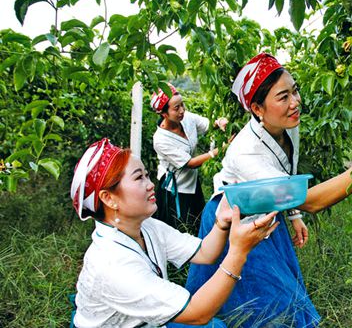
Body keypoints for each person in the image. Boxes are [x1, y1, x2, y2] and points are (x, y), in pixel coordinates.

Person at [185, 53, 352, 327]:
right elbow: (309, 200)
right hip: (233, 220)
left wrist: (294, 215)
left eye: (294, 91)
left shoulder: (287, 124)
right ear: (258, 109)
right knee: (267, 305)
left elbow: (287, 177)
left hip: (266, 211)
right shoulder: (245, 151)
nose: (295, 102)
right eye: (283, 97)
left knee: (265, 301)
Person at [69, 138, 279, 328]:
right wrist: (238, 253)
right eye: (138, 178)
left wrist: (222, 222)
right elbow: (197, 314)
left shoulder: (146, 227)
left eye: (148, 175)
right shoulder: (112, 264)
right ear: (108, 198)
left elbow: (205, 253)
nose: (151, 185)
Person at [151, 83, 229, 233]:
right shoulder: (161, 139)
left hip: (191, 182)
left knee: (197, 220)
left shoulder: (187, 119)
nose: (182, 111)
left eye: (182, 105)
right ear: (164, 114)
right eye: (176, 108)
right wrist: (221, 150)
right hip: (175, 188)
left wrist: (220, 122)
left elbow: (208, 125)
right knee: (179, 226)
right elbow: (190, 163)